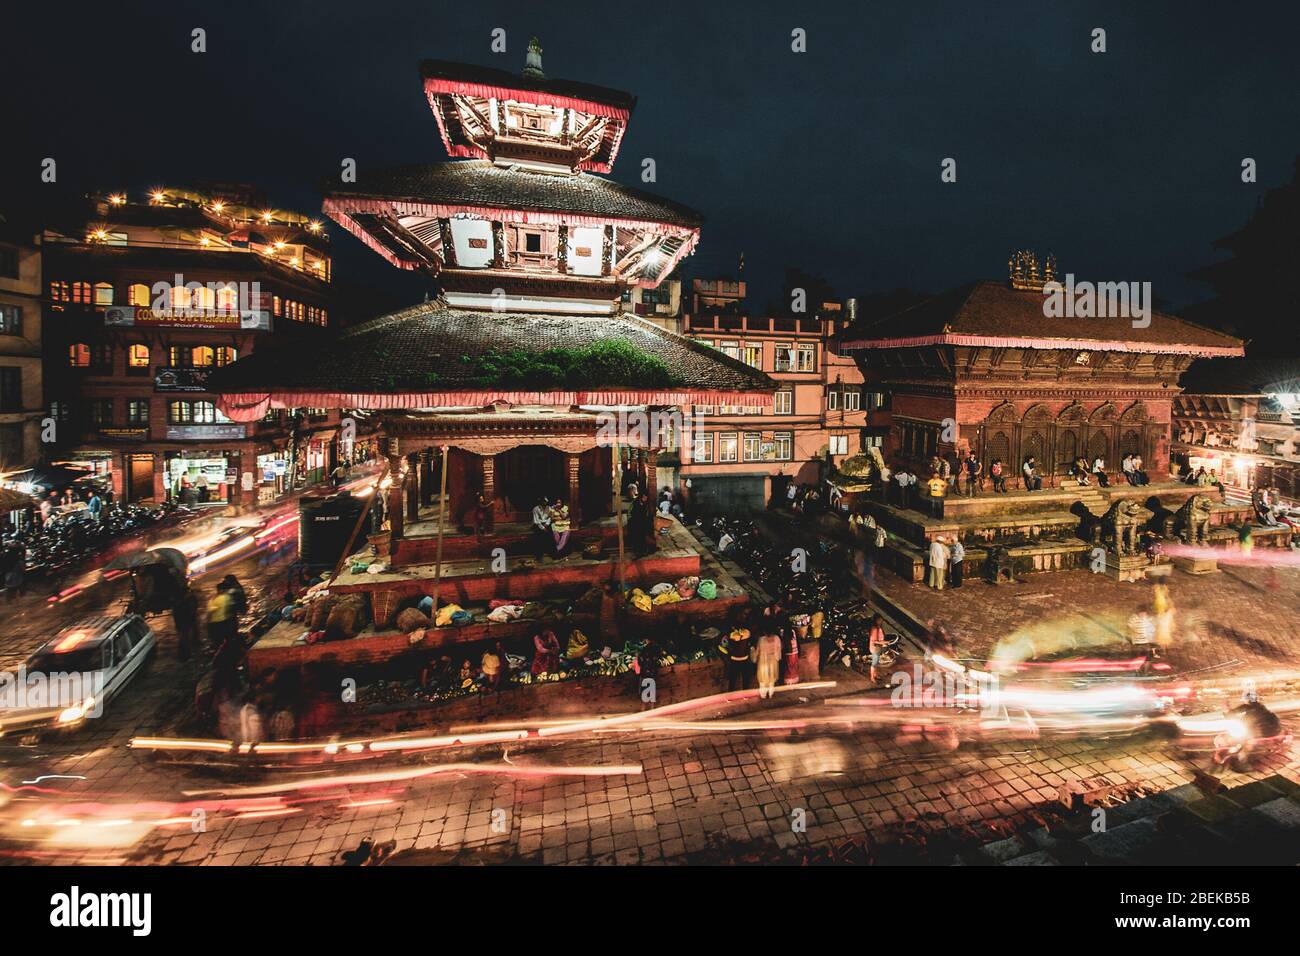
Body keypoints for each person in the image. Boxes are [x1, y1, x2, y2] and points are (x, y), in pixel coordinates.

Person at [724, 616, 752, 691]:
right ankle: (745, 694)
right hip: (745, 658)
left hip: (734, 659)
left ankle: (730, 694)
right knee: (745, 678)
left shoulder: (732, 635)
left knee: (732, 679)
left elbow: (728, 645)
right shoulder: (747, 633)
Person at [173, 585, 200, 662]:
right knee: (184, 640)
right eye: (188, 592)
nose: (190, 593)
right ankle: (185, 657)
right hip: (183, 624)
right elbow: (179, 616)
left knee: (185, 639)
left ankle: (185, 656)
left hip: (186, 623)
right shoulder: (180, 604)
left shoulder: (189, 600)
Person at [755, 629, 782, 699]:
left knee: (762, 680)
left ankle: (763, 695)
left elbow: (757, 651)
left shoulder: (761, 640)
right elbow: (779, 650)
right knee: (772, 680)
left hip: (763, 662)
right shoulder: (776, 638)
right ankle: (770, 694)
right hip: (773, 661)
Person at [867, 614, 888, 684]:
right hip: (875, 648)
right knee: (874, 663)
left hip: (878, 648)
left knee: (876, 662)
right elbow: (875, 640)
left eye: (881, 620)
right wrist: (884, 642)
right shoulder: (875, 629)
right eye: (879, 620)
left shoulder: (879, 627)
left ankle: (875, 674)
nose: (881, 621)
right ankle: (872, 677)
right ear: (875, 621)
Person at [531, 495, 553, 559]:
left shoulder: (549, 508)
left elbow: (550, 518)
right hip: (538, 525)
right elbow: (536, 520)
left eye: (546, 502)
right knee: (539, 536)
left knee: (550, 535)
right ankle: (539, 554)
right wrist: (543, 528)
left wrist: (546, 524)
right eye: (543, 502)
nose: (545, 503)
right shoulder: (536, 509)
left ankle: (550, 552)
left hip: (546, 524)